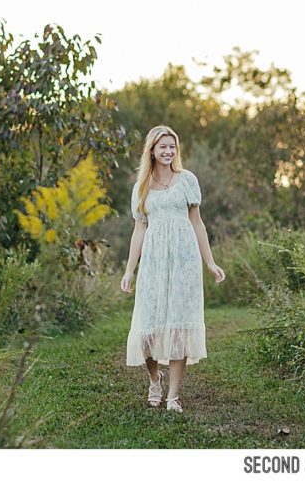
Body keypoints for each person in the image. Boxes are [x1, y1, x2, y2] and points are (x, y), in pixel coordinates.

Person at [121, 125, 225, 413]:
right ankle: (155, 380)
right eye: (162, 146)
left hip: (184, 260)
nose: (168, 151)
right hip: (154, 261)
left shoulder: (187, 180)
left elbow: (198, 223)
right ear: (152, 151)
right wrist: (130, 270)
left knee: (180, 322)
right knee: (148, 325)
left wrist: (210, 262)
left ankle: (173, 396)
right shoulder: (141, 188)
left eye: (172, 146)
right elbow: (139, 230)